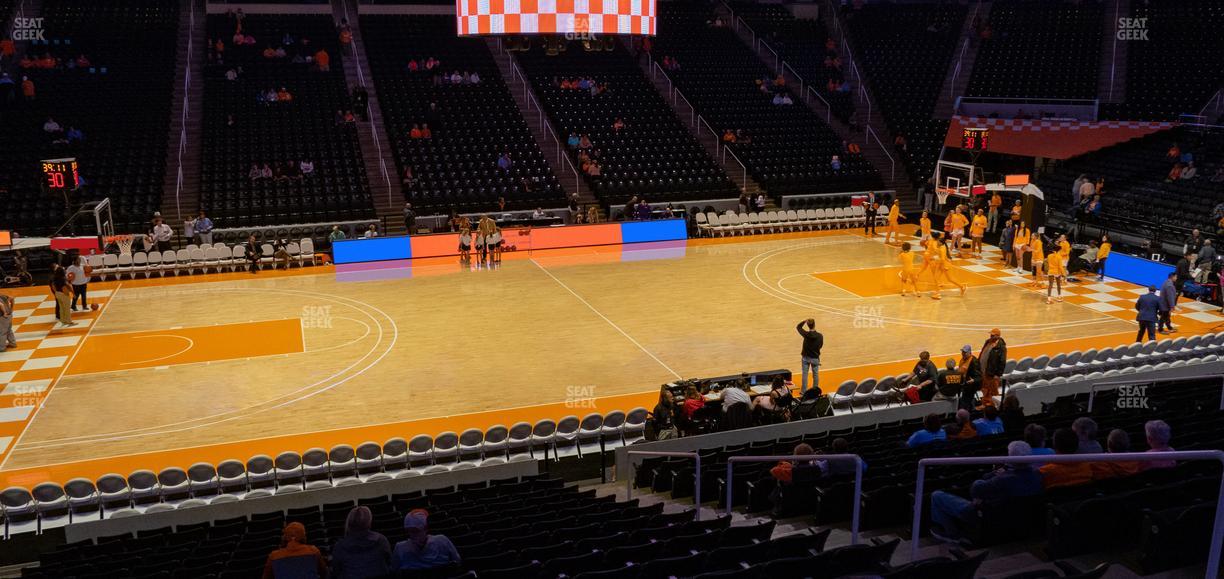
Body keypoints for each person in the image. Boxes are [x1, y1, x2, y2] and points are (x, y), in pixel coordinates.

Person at [929, 441, 1043, 543]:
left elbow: (975, 489)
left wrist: (994, 475)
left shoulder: (1004, 479)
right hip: (1016, 519)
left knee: (937, 495)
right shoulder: (1038, 475)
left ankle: (952, 534)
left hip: (987, 515)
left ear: (1011, 457)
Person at [331, 506, 391, 579]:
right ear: (369, 522)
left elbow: (336, 571)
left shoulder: (340, 547)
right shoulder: (381, 540)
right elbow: (389, 562)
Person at [393, 510, 460, 571]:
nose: (411, 535)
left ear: (426, 529)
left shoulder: (400, 548)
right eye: (408, 531)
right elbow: (457, 561)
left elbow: (394, 571)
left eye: (415, 531)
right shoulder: (442, 541)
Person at [262, 522, 327, 579]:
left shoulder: (274, 556)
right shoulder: (313, 551)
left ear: (285, 538)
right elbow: (324, 573)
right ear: (303, 536)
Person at [979, 328, 1006, 406]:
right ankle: (984, 404)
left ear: (998, 336)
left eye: (992, 335)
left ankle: (989, 407)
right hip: (983, 370)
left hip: (991, 373)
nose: (990, 336)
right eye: (991, 334)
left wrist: (998, 374)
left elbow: (1002, 362)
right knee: (984, 389)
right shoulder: (988, 342)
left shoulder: (1001, 347)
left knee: (989, 391)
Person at [796, 319, 823, 394]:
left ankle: (803, 391)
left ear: (808, 326)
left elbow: (798, 327)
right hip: (815, 358)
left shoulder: (806, 334)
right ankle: (815, 391)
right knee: (816, 375)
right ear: (814, 324)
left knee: (805, 374)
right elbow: (820, 346)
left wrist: (804, 321)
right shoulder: (820, 336)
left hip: (805, 358)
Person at [955, 345, 982, 411]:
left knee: (966, 400)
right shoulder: (963, 359)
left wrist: (974, 380)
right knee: (967, 400)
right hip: (964, 384)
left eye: (965, 352)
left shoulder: (974, 361)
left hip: (970, 385)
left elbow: (979, 376)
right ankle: (970, 410)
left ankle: (968, 412)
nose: (963, 353)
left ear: (970, 352)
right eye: (962, 352)